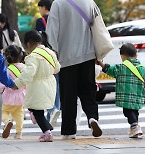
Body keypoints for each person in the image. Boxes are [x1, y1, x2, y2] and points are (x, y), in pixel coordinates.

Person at [46, 0, 102, 139]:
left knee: (68, 95)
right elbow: (98, 25)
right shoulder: (89, 2)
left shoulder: (58, 3)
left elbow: (52, 30)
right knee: (88, 90)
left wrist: (53, 52)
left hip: (66, 57)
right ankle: (92, 118)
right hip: (88, 53)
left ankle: (69, 131)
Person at [14, 30, 61, 142]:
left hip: (37, 86)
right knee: (37, 109)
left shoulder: (33, 57)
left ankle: (47, 132)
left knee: (37, 111)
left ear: (28, 44)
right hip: (50, 83)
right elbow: (57, 68)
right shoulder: (50, 52)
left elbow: (29, 73)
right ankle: (47, 127)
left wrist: (17, 84)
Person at [97, 43, 145, 138]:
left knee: (128, 112)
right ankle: (134, 129)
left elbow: (110, 69)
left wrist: (101, 63)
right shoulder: (142, 68)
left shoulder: (121, 67)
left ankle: (135, 127)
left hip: (126, 98)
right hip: (137, 96)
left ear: (122, 56)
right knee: (134, 112)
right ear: (136, 55)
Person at [36, 0, 60, 127]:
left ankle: (51, 109)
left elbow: (39, 39)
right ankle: (56, 108)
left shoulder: (41, 21)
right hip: (59, 55)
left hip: (46, 55)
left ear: (43, 7)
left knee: (48, 83)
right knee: (58, 85)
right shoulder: (57, 18)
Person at [0, 45, 26, 139]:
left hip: (8, 96)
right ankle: (19, 133)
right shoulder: (24, 67)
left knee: (3, 111)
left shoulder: (7, 70)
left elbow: (2, 84)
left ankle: (7, 122)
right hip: (21, 96)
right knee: (19, 114)